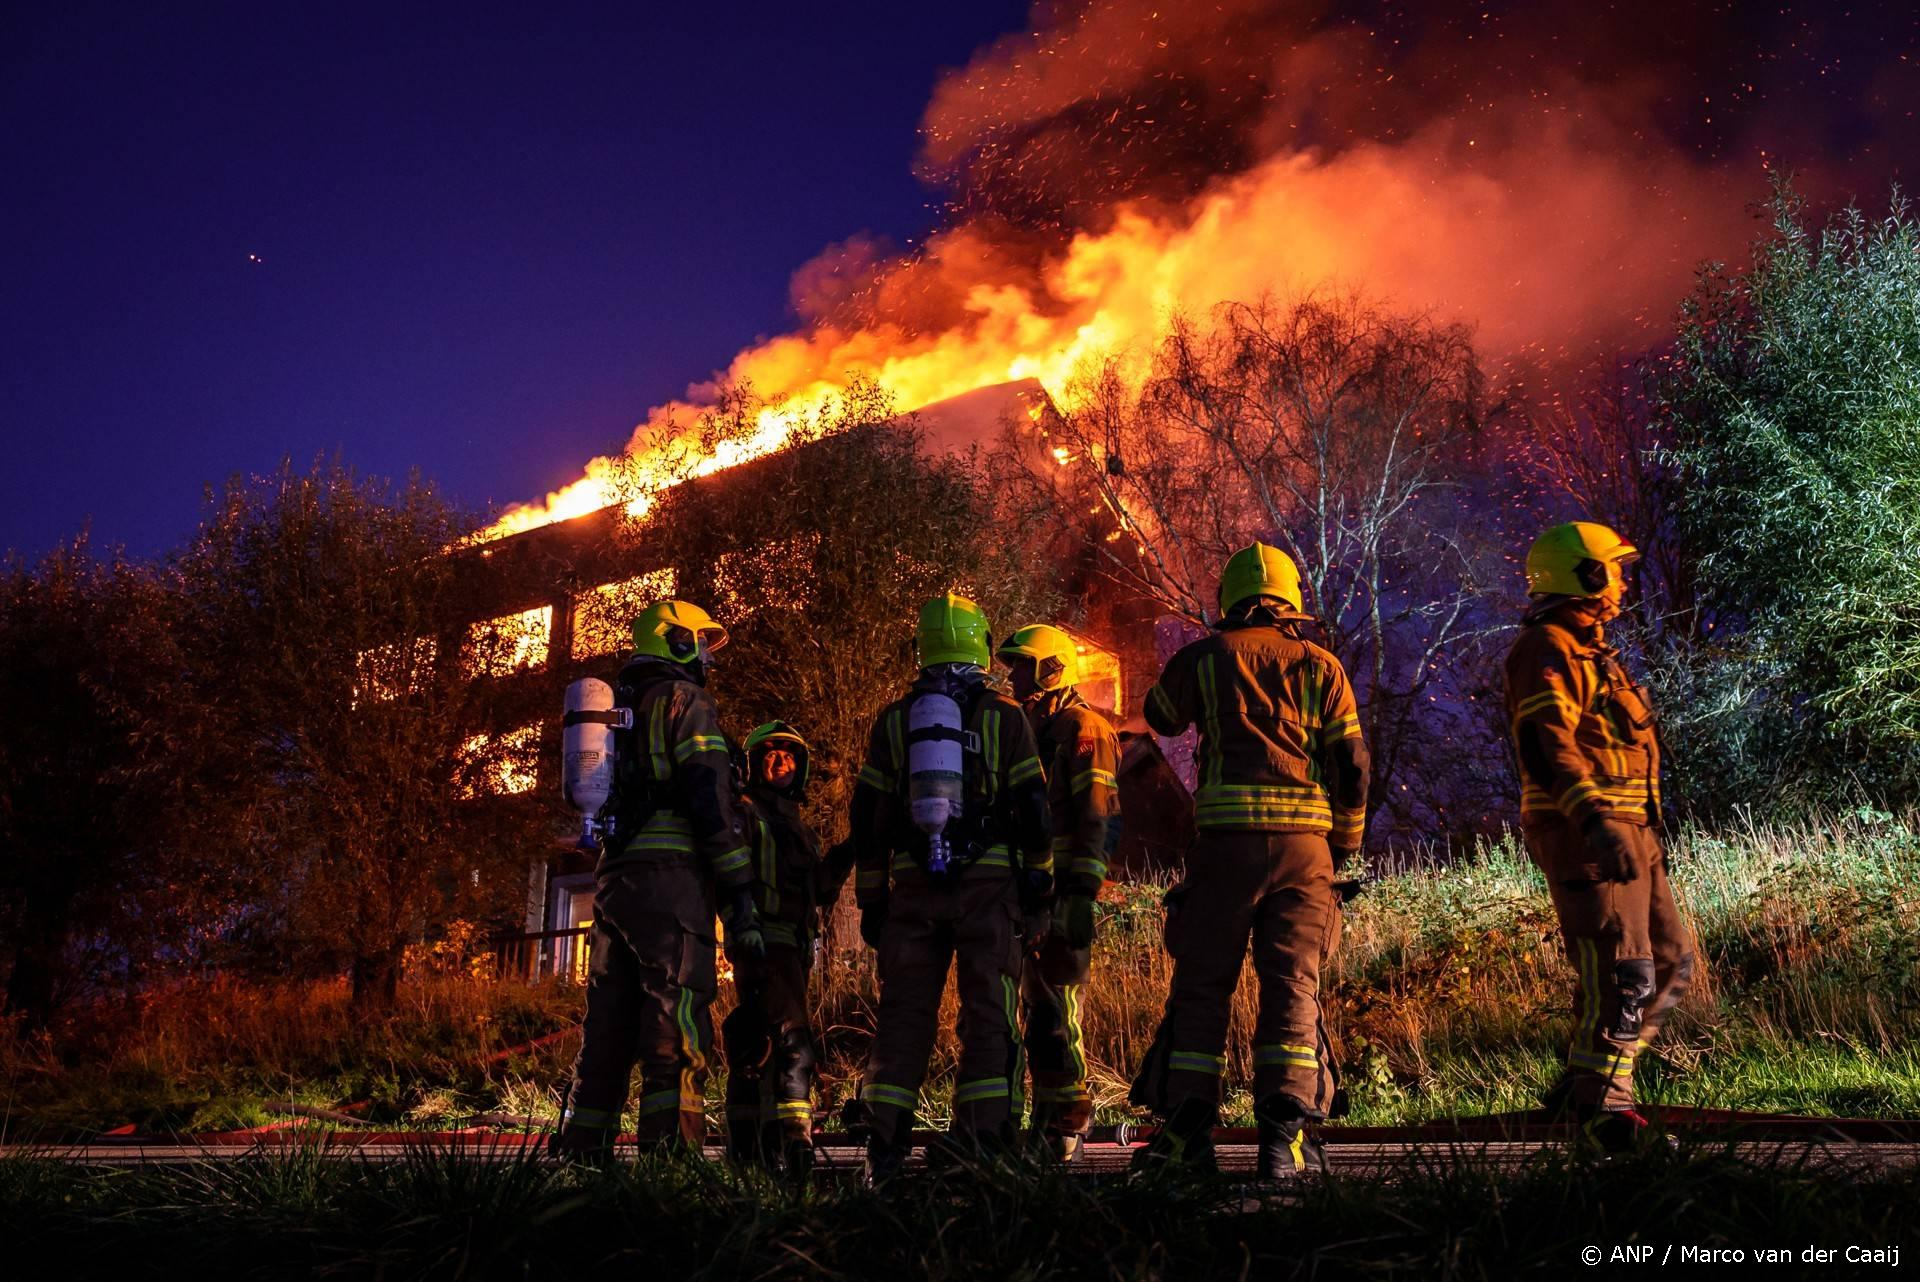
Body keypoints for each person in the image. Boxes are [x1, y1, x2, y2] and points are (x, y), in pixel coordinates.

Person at [1130, 544, 1368, 1179]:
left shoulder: (1204, 660)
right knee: (1293, 986)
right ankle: (1284, 1143)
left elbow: (1158, 715)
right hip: (1304, 852)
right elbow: (1352, 766)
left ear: (1229, 602)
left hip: (1225, 850)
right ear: (1291, 603)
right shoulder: (1325, 668)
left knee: (1204, 985)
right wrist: (1342, 843)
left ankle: (1184, 1139)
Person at [1505, 522, 1696, 1152]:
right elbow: (1546, 743)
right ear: (1583, 575)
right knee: (1624, 971)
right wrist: (1595, 819)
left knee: (1670, 959)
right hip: (1587, 832)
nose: (1619, 580)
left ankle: (1589, 1079)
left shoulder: (1594, 652)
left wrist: (1634, 826)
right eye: (1610, 569)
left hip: (1631, 833)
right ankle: (1603, 1112)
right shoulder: (1548, 648)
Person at [850, 593, 1052, 1183]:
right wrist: (1038, 880)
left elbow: (868, 815)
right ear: (983, 647)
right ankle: (984, 1144)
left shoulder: (894, 721)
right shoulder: (1005, 716)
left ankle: (883, 1148)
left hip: (913, 887)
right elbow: (1033, 806)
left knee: (904, 1015)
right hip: (989, 887)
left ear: (923, 649)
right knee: (989, 1012)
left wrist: (871, 898)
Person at [553, 600, 761, 1160]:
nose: (706, 658)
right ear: (673, 641)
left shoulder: (614, 707)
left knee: (609, 1026)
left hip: (613, 884)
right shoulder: (683, 701)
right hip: (670, 883)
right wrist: (738, 887)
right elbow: (709, 798)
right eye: (698, 643)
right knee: (676, 1020)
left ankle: (581, 1151)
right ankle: (672, 1162)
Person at [996, 623, 1120, 1162]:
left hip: (1065, 890)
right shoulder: (1025, 726)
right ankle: (1048, 1121)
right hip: (1026, 890)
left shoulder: (1083, 730)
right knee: (1034, 1007)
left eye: (1023, 664)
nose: (1013, 674)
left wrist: (1081, 893)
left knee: (1055, 1008)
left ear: (1051, 670)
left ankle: (1068, 1118)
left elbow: (1099, 818)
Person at [720, 720, 854, 1181]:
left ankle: (750, 1148)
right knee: (792, 1039)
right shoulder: (744, 812)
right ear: (754, 764)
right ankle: (793, 1140)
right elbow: (729, 872)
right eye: (772, 754)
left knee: (759, 1045)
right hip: (762, 940)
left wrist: (848, 851)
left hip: (792, 947)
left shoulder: (796, 826)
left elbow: (816, 889)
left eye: (791, 755)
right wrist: (742, 924)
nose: (782, 762)